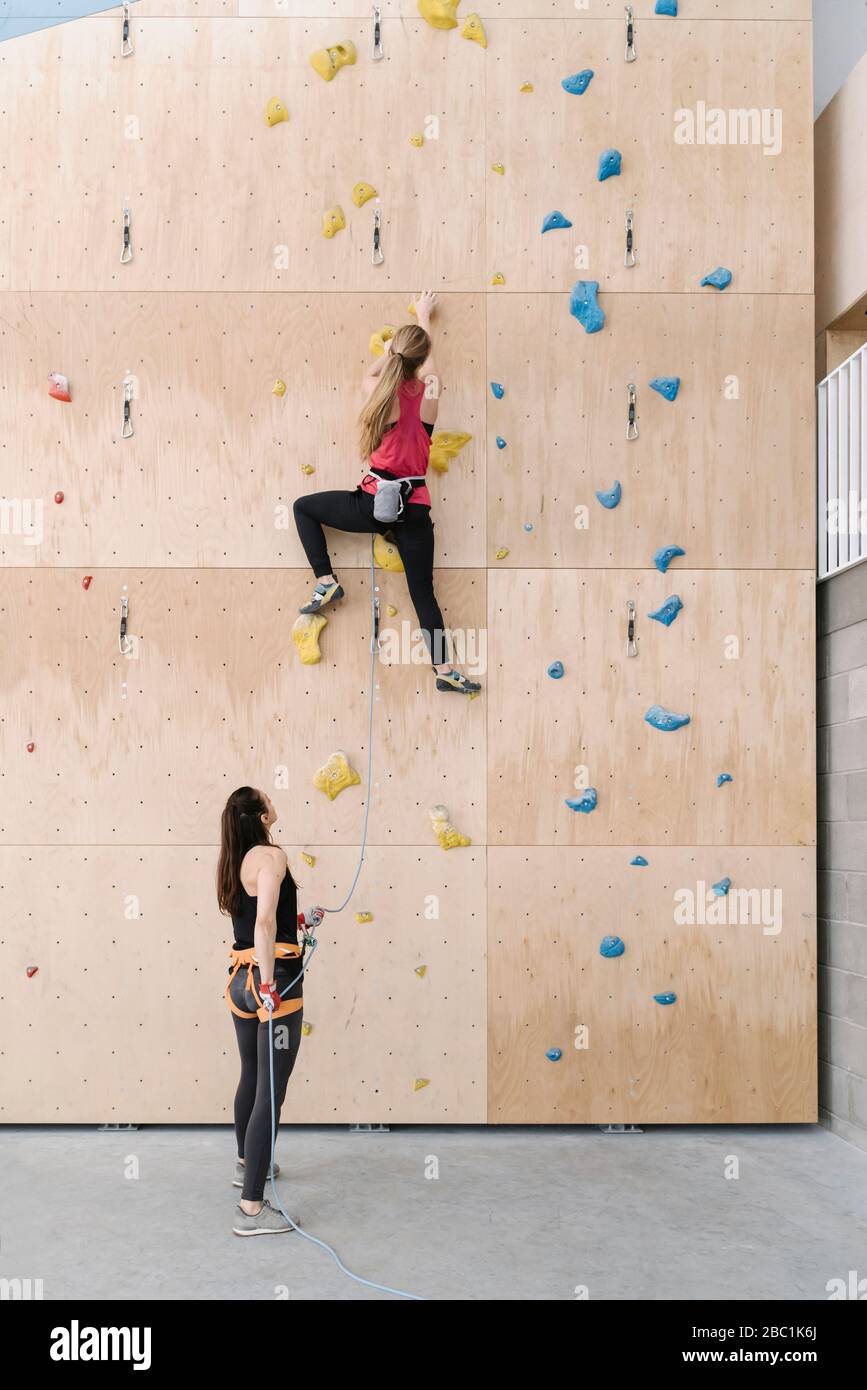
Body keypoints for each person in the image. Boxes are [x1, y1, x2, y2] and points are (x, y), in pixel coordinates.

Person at [293, 290, 481, 694]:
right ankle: (445, 669)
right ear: (421, 360)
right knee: (422, 594)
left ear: (395, 356)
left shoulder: (377, 393)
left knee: (303, 508)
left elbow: (374, 372)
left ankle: (326, 580)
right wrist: (424, 319)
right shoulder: (430, 393)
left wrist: (393, 346)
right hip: (413, 508)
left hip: (372, 505)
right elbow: (429, 368)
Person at [217, 786, 318, 1236]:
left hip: (239, 983)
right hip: (270, 984)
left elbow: (261, 920)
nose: (275, 799)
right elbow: (262, 923)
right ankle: (252, 1209)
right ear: (261, 814)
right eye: (267, 797)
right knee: (270, 1092)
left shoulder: (239, 860)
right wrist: (269, 983)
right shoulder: (271, 856)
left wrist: (299, 924)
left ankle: (247, 1165)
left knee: (253, 1076)